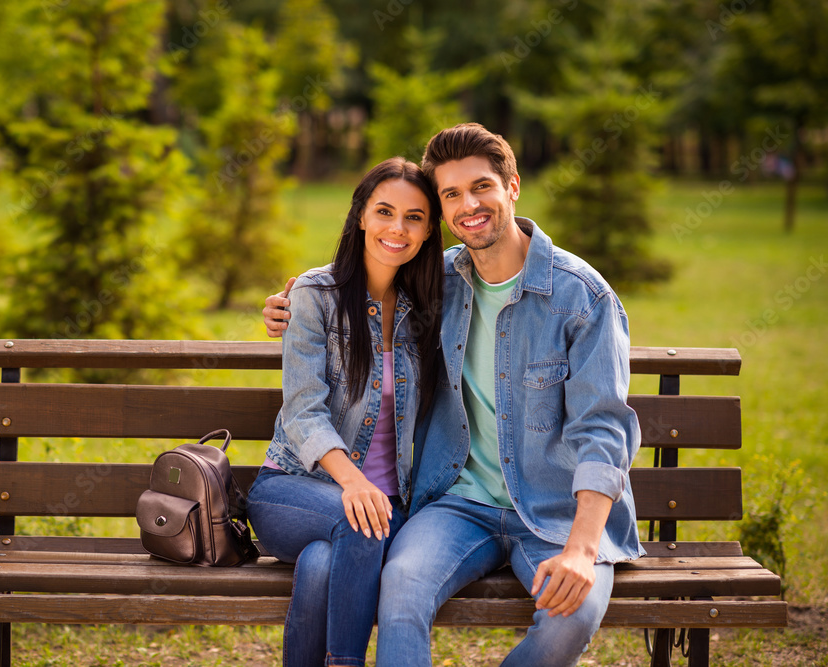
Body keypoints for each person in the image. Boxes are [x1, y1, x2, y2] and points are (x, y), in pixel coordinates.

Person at [263, 123, 643, 667]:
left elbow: (603, 428)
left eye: (482, 186)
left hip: (556, 513)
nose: (470, 205)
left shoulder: (581, 296)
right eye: (452, 195)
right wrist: (290, 301)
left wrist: (583, 549)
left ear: (513, 185)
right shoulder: (438, 282)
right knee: (400, 589)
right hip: (460, 504)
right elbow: (349, 292)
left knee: (571, 619)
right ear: (443, 211)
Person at [247, 156, 445, 667]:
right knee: (362, 521)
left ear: (428, 231)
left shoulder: (429, 305)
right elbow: (303, 412)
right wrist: (354, 483)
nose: (396, 229)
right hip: (291, 489)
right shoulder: (317, 296)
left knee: (319, 565)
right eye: (384, 211)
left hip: (387, 506)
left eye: (415, 217)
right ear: (360, 215)